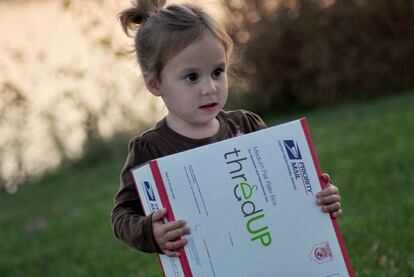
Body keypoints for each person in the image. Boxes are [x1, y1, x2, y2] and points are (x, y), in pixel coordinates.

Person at [111, 0, 343, 258]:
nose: (210, 87)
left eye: (217, 72)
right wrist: (149, 232)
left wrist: (319, 194)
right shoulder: (150, 149)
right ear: (155, 84)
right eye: (192, 77)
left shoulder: (246, 126)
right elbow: (122, 215)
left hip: (269, 256)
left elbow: (283, 184)